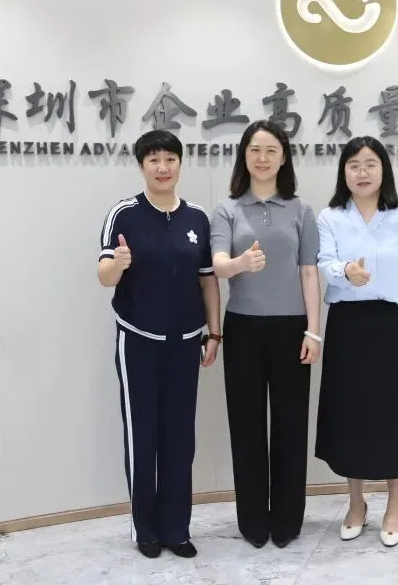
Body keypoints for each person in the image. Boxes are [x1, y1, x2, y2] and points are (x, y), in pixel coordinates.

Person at [97, 129, 222, 560]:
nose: (163, 167)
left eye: (170, 159)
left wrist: (214, 333)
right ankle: (145, 529)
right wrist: (118, 263)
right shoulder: (124, 214)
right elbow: (104, 276)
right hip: (139, 341)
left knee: (180, 439)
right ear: (141, 166)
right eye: (154, 160)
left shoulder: (197, 218)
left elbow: (208, 281)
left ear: (180, 164)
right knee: (142, 436)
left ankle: (176, 529)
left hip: (186, 342)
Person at [314, 135, 398, 548]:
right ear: (343, 172)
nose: (362, 173)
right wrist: (346, 272)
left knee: (394, 414)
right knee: (351, 414)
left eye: (370, 164)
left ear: (384, 170)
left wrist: (394, 300)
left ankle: (395, 505)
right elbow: (324, 263)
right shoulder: (330, 217)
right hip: (347, 324)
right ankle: (356, 503)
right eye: (353, 165)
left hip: (391, 325)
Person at [210, 119, 322, 549]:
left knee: (291, 426)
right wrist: (241, 264)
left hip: (292, 328)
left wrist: (313, 332)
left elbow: (309, 273)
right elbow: (218, 264)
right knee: (247, 426)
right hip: (243, 329)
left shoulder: (301, 210)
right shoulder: (227, 209)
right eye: (255, 150)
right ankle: (253, 519)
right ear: (244, 156)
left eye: (271, 150)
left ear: (284, 157)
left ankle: (288, 519)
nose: (262, 158)